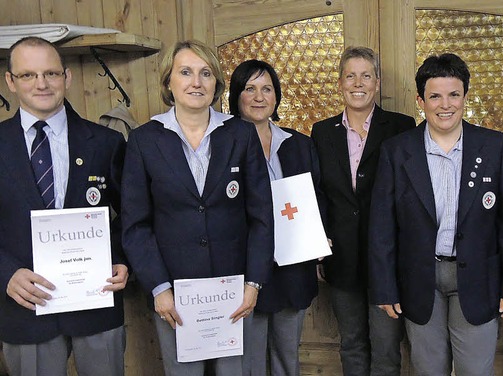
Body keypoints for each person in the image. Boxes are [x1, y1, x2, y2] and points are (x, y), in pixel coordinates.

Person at [369, 53, 503, 375]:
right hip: (419, 278)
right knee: (428, 369)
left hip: (478, 278)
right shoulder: (397, 151)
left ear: (465, 97)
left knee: (474, 369)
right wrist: (384, 287)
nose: (446, 105)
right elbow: (382, 225)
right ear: (420, 100)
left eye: (454, 94)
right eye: (435, 96)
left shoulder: (494, 146)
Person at [121, 40, 274, 376]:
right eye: (186, 72)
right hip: (174, 298)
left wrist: (254, 284)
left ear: (216, 84)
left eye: (206, 73)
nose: (196, 82)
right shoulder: (145, 141)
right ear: (168, 83)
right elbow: (135, 225)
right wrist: (159, 288)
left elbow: (262, 217)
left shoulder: (241, 134)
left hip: (234, 295)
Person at [0, 36, 129, 375]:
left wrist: (120, 259)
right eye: (28, 75)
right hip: (25, 308)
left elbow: (133, 216)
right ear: (10, 81)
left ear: (67, 77)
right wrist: (5, 274)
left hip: (97, 302)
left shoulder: (106, 143)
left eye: (51, 74)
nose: (41, 84)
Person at [311, 46, 415, 375]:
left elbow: (411, 193)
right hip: (340, 257)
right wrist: (316, 245)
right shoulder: (322, 132)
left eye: (366, 75)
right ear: (340, 83)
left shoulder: (401, 127)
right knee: (352, 343)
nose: (358, 82)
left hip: (387, 259)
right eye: (350, 75)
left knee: (386, 347)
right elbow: (319, 194)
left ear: (377, 83)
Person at [229, 59, 324, 376]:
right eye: (250, 89)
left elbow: (316, 196)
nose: (259, 97)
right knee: (248, 364)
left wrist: (320, 234)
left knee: (287, 360)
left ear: (276, 96)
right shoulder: (222, 145)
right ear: (236, 97)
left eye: (267, 89)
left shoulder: (299, 144)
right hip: (244, 270)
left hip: (292, 269)